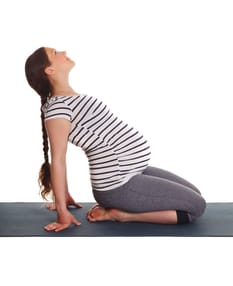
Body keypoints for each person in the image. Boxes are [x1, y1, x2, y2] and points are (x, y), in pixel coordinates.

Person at [25, 47, 206, 232]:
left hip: (133, 171)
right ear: (49, 70)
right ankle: (121, 215)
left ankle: (122, 209)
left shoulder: (69, 98)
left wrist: (63, 194)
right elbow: (59, 160)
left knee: (195, 195)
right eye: (55, 53)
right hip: (118, 184)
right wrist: (62, 210)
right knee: (196, 207)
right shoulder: (57, 110)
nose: (63, 52)